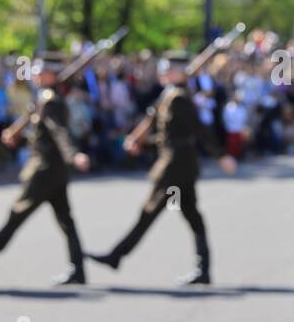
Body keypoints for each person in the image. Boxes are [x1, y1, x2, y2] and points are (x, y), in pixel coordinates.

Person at [89, 55, 229, 285]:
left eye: (169, 70)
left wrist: (221, 155)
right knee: (191, 217)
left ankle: (117, 255)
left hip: (174, 166)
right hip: (179, 164)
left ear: (180, 72)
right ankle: (202, 269)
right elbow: (158, 125)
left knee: (150, 212)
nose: (163, 74)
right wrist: (138, 139)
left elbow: (199, 130)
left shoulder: (180, 98)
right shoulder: (171, 93)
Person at [0, 53, 91, 286]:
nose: (35, 75)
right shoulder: (48, 97)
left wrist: (73, 154)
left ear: (51, 74)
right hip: (54, 169)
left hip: (45, 169)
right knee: (65, 220)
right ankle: (77, 269)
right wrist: (15, 133)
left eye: (40, 72)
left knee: (17, 214)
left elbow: (59, 132)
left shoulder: (50, 100)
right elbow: (34, 120)